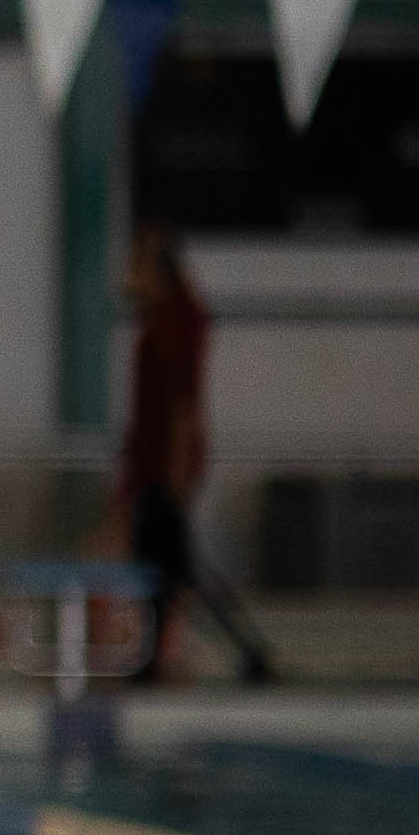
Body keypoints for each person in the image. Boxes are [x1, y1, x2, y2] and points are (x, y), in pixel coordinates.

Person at [119, 219, 280, 684]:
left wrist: (173, 472)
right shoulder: (172, 318)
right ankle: (162, 660)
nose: (128, 276)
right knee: (167, 570)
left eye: (136, 265)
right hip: (159, 463)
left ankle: (231, 653)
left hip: (165, 466)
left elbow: (181, 407)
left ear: (157, 269)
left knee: (171, 570)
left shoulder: (172, 325)